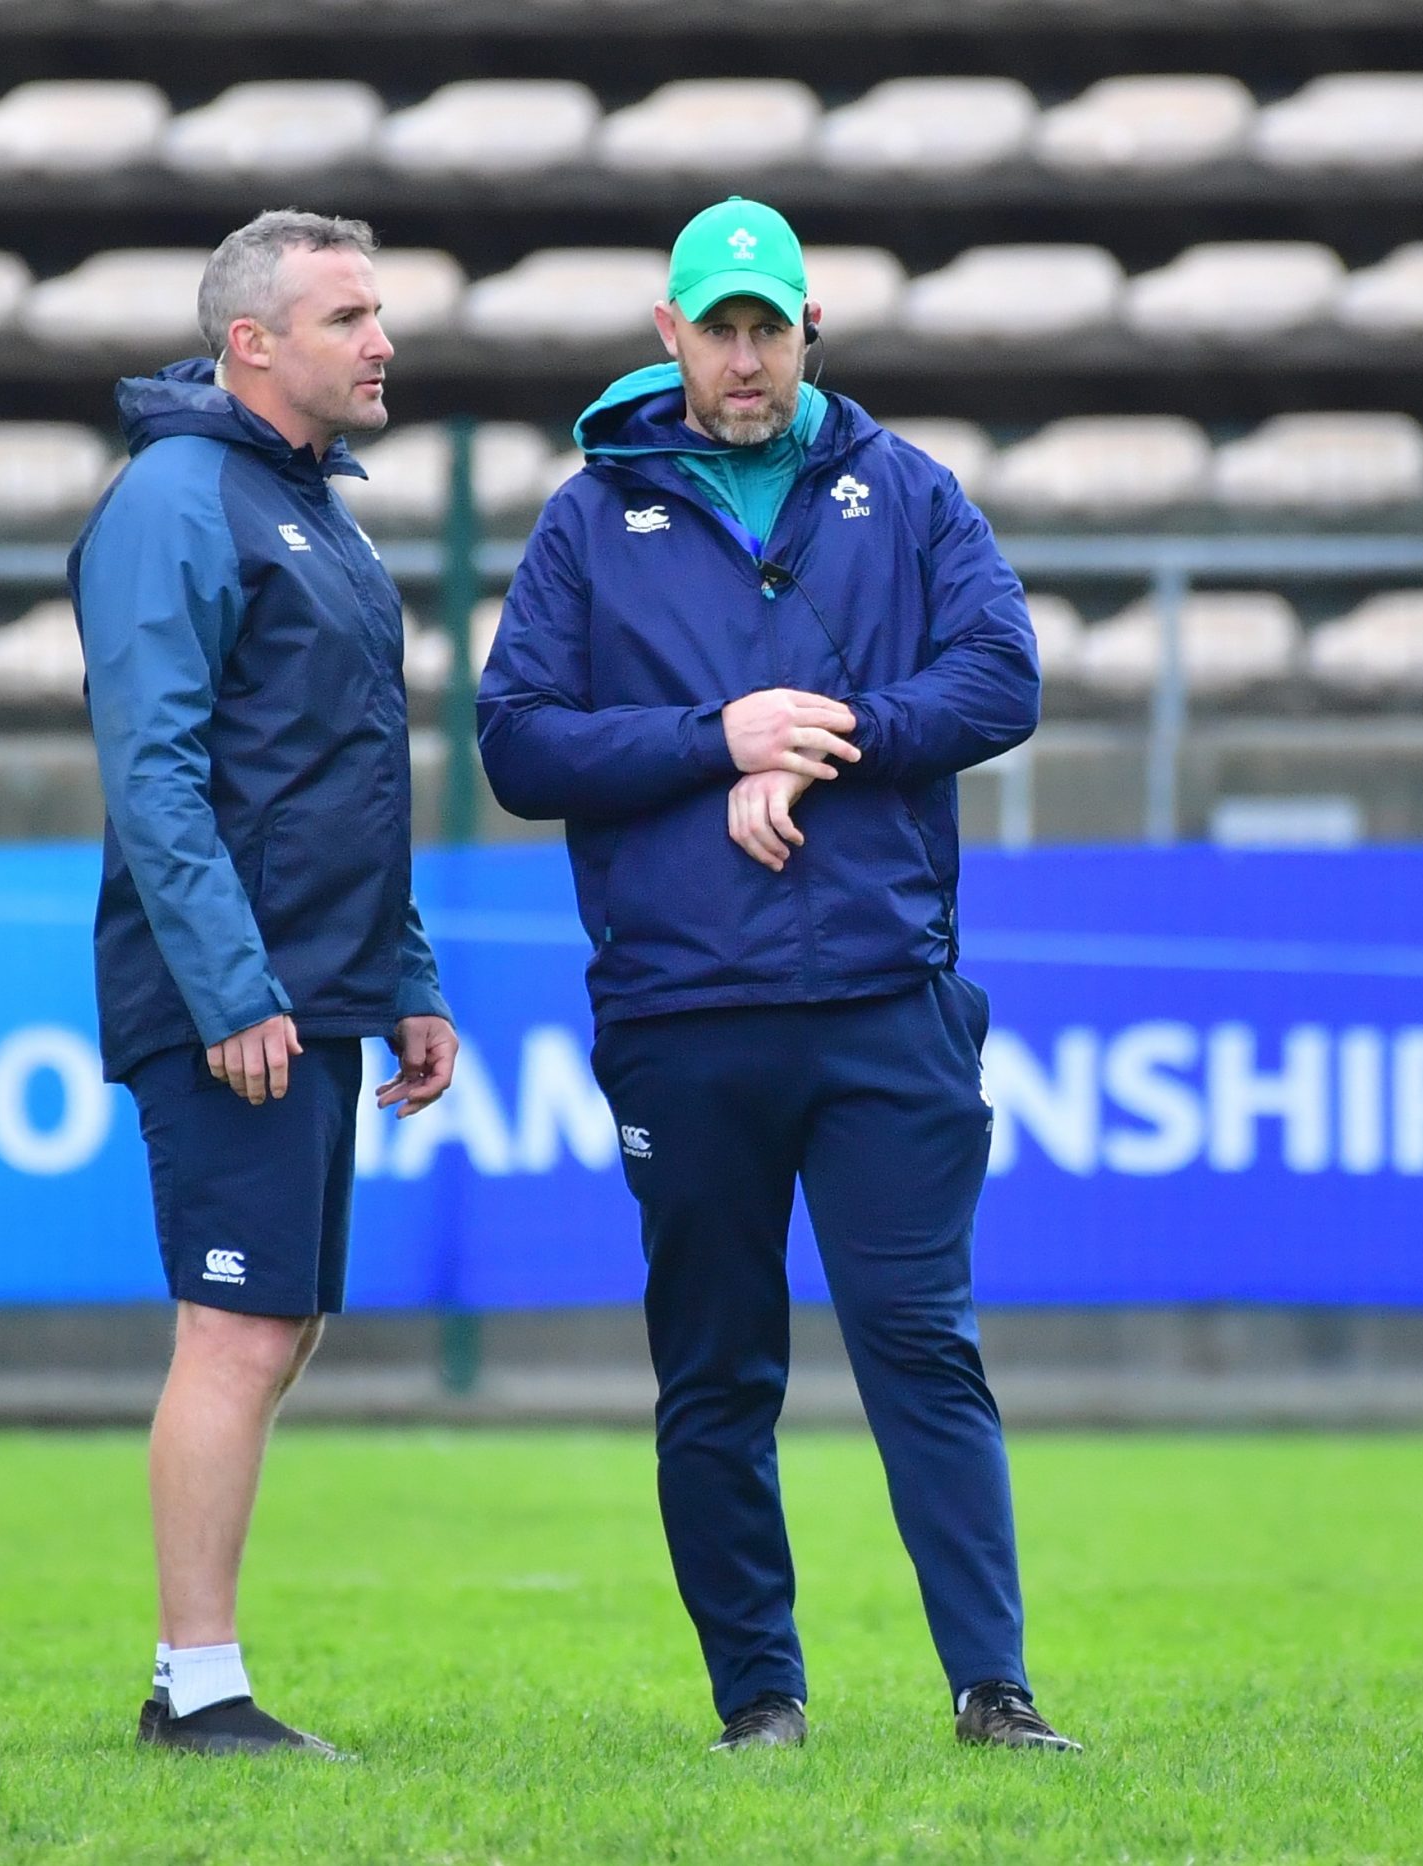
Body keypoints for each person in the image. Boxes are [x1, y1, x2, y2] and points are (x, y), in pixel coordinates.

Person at [478, 196, 1078, 1755]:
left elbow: (1003, 676)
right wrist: (715, 741)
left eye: (771, 326)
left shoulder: (909, 491)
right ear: (667, 334)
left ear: (813, 331)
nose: (746, 358)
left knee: (923, 1346)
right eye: (717, 328)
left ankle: (993, 1690)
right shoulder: (587, 521)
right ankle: (762, 1701)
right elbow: (519, 742)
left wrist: (823, 732)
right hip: (686, 1014)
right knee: (718, 1372)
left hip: (885, 998)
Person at [67, 209, 460, 1758]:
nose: (381, 340)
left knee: (274, 1327)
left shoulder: (310, 509)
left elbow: (350, 776)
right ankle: (200, 1689)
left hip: (316, 990)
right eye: (348, 315)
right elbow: (154, 774)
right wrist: (233, 989)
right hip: (232, 1001)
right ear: (253, 342)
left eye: (379, 312)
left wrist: (403, 974)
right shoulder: (176, 500)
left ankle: (195, 1677)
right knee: (233, 1332)